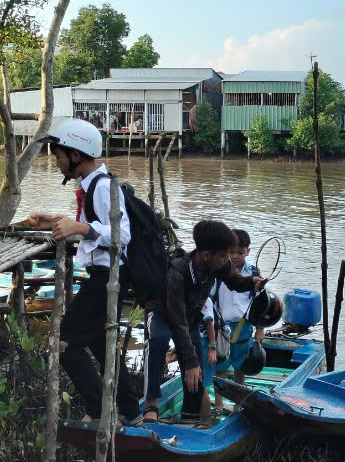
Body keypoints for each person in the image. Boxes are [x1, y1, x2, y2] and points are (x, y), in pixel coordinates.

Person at [21, 118, 140, 423]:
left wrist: (80, 227)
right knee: (100, 344)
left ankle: (101, 412)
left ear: (76, 155)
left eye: (59, 156)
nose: (57, 162)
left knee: (64, 343)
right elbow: (94, 230)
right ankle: (130, 411)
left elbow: (121, 235)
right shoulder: (92, 186)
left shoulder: (101, 187)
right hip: (106, 275)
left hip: (107, 278)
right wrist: (55, 221)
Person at [142, 220, 263, 424]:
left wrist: (252, 282)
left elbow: (235, 281)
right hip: (163, 314)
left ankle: (190, 415)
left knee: (196, 371)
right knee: (160, 341)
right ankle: (151, 403)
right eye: (224, 255)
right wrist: (187, 361)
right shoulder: (178, 273)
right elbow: (176, 320)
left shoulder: (217, 263)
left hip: (189, 319)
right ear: (206, 255)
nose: (228, 260)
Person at [205, 228, 265, 411]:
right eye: (231, 252)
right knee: (221, 366)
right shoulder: (219, 272)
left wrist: (260, 328)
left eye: (240, 252)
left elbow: (260, 302)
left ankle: (240, 404)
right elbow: (210, 298)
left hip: (244, 325)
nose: (236, 256)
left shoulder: (253, 272)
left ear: (248, 250)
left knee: (241, 365)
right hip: (222, 326)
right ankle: (219, 404)